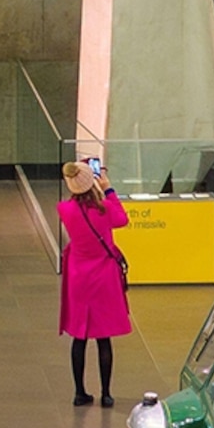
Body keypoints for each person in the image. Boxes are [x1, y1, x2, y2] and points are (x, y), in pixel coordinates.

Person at [58, 161, 133, 407]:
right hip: (103, 277)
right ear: (92, 181)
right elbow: (122, 219)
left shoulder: (65, 209)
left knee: (79, 337)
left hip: (79, 275)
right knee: (104, 338)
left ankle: (79, 392)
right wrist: (108, 189)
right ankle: (107, 394)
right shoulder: (104, 209)